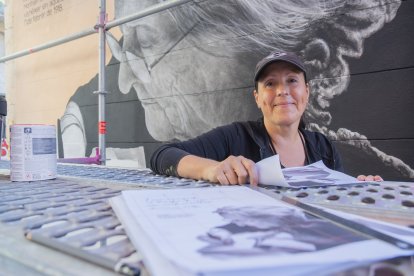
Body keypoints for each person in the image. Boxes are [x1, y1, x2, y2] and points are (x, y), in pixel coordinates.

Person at [150, 51, 382, 184]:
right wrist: (212, 169)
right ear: (258, 97)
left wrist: (359, 190)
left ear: (307, 91)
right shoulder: (235, 137)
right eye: (270, 83)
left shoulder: (323, 147)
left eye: (292, 80)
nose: (282, 90)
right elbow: (162, 155)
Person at [197, 205, 366, 256]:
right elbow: (169, 153)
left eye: (242, 220)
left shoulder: (321, 143)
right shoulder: (235, 135)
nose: (239, 225)